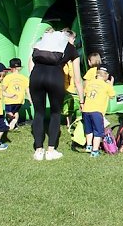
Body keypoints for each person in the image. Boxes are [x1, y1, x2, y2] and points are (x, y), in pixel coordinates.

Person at [29, 28, 84, 161]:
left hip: (36, 77)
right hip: (55, 78)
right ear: (69, 37)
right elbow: (77, 79)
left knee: (39, 113)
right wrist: (81, 100)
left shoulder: (41, 43)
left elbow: (30, 67)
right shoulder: (70, 48)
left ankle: (38, 150)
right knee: (55, 113)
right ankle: (51, 150)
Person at [81, 66, 115, 157]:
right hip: (97, 111)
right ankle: (95, 151)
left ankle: (88, 146)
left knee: (89, 129)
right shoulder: (106, 85)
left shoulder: (90, 83)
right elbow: (112, 96)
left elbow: (85, 92)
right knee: (98, 131)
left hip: (86, 110)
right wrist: (111, 84)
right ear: (106, 76)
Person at [2, 58, 29, 130]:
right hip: (20, 99)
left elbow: (3, 89)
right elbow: (27, 89)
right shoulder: (24, 78)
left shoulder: (7, 78)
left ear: (10, 68)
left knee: (9, 112)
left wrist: (4, 94)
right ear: (20, 68)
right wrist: (30, 98)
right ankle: (15, 123)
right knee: (16, 112)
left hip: (10, 99)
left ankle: (11, 123)